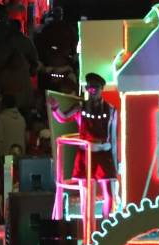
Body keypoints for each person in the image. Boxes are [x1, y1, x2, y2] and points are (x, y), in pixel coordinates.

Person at [48, 73, 118, 220]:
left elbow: (113, 137)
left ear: (102, 89)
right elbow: (62, 118)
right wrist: (55, 108)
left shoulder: (111, 110)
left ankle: (105, 223)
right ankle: (87, 223)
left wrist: (115, 161)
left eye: (96, 88)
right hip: (85, 155)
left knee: (108, 193)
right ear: (87, 89)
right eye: (90, 88)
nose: (93, 92)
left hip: (103, 154)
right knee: (85, 192)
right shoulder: (80, 107)